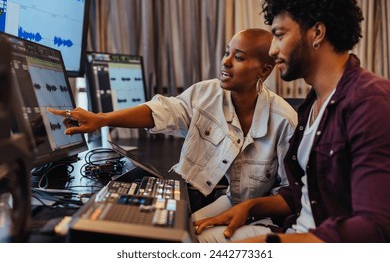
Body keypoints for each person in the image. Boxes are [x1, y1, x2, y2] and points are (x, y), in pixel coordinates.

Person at [49, 28, 297, 241]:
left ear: (263, 72)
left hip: (259, 215)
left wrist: (249, 208)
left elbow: (291, 195)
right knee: (168, 229)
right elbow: (163, 111)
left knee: (186, 240)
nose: (226, 62)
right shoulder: (205, 94)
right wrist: (101, 119)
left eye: (239, 57)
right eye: (226, 52)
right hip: (230, 200)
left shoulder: (284, 121)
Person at [194, 0, 390, 243]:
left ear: (317, 33)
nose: (273, 50)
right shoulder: (312, 104)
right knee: (186, 234)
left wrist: (272, 245)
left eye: (279, 35)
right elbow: (305, 193)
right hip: (294, 232)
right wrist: (249, 207)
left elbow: (374, 229)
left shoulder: (369, 102)